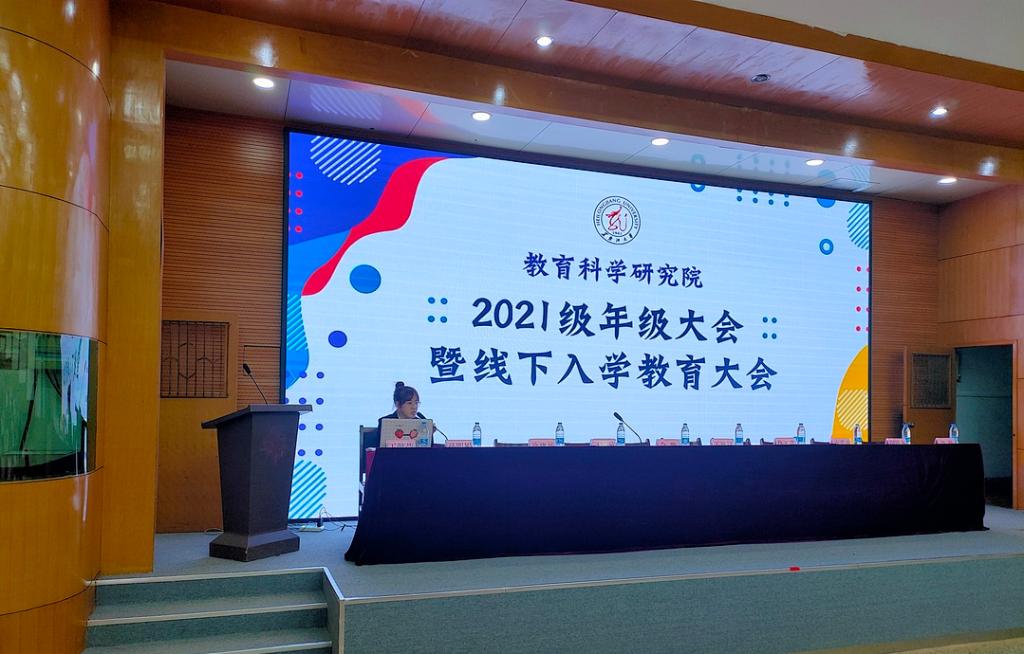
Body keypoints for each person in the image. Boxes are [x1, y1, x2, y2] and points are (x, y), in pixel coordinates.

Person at [373, 381, 426, 448]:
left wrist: (429, 433)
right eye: (409, 403)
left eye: (416, 403)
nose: (414, 407)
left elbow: (427, 450)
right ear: (397, 404)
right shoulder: (385, 422)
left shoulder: (420, 423)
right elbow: (379, 448)